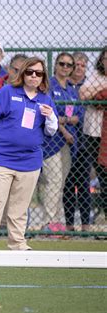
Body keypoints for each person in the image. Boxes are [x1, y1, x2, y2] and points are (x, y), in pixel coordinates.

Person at [0, 57, 58, 250]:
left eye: (38, 73)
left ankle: (17, 243)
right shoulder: (7, 92)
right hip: (1, 158)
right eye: (29, 72)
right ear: (23, 74)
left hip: (29, 161)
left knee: (20, 206)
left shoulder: (45, 99)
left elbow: (50, 131)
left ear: (43, 76)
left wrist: (52, 117)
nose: (34, 76)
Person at [38, 52, 83, 232]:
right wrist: (63, 126)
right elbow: (50, 113)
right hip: (52, 141)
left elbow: (78, 115)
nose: (65, 68)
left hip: (70, 143)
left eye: (69, 65)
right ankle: (49, 223)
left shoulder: (72, 90)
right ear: (55, 65)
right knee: (53, 181)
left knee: (60, 183)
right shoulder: (50, 86)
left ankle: (55, 221)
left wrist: (64, 120)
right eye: (62, 64)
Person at [66, 47, 107, 231]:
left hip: (94, 138)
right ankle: (67, 225)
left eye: (83, 64)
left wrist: (97, 94)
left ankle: (90, 224)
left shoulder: (91, 81)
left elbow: (94, 95)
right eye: (105, 59)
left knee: (90, 182)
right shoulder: (93, 77)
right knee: (73, 181)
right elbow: (85, 94)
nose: (80, 68)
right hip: (86, 136)